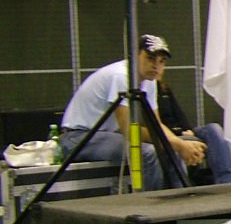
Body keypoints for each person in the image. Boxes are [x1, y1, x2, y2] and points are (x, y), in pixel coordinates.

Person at [59, 34, 206, 191]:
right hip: (78, 137)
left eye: (161, 61)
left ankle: (180, 206)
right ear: (135, 55)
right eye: (150, 58)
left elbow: (155, 125)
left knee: (170, 150)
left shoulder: (149, 81)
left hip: (108, 136)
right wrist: (178, 144)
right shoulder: (121, 76)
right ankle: (152, 210)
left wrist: (179, 145)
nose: (156, 66)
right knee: (147, 152)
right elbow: (129, 130)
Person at [153, 54, 231, 185]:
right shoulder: (145, 92)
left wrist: (188, 129)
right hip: (168, 137)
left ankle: (227, 182)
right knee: (175, 148)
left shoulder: (164, 89)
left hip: (183, 133)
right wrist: (177, 138)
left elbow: (178, 114)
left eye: (161, 63)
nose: (157, 67)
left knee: (214, 129)